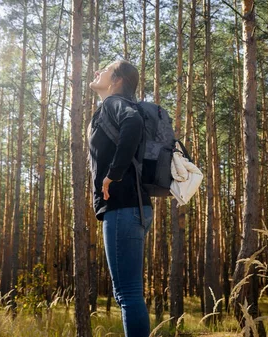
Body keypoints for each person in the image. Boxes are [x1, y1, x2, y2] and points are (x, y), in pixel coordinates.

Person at [88, 60, 152, 337]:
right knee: (130, 292)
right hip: (134, 207)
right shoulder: (114, 105)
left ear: (116, 80)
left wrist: (112, 174)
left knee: (127, 293)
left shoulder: (114, 104)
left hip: (122, 207)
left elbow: (133, 122)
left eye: (104, 69)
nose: (97, 72)